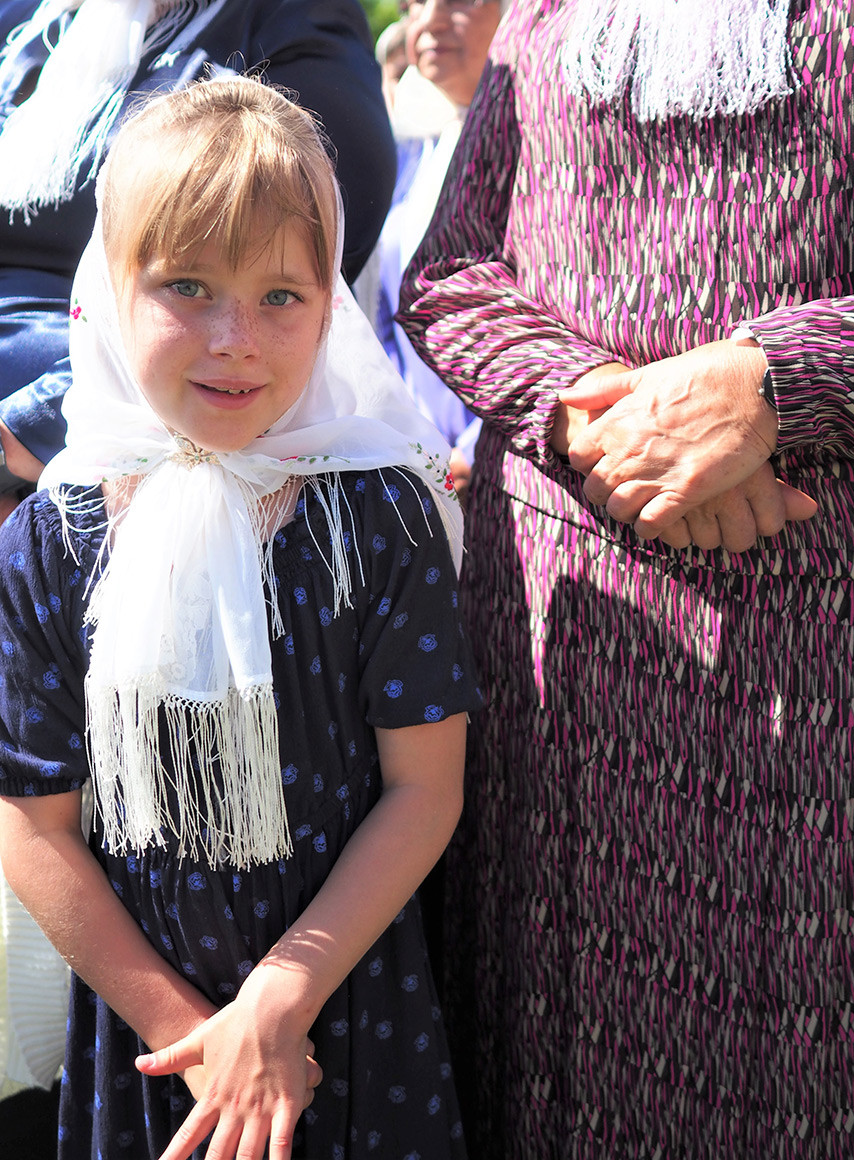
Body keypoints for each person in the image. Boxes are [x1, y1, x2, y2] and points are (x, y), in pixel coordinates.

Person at [398, 1, 854, 1157]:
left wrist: (776, 385)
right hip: (565, 674)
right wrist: (599, 410)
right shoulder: (548, 10)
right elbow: (449, 276)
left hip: (839, 703)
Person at [0, 76, 482, 1160]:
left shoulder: (375, 511)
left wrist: (279, 998)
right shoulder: (51, 538)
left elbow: (424, 786)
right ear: (108, 293)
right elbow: (32, 825)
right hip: (153, 1040)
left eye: (281, 295)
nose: (235, 338)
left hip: (346, 1007)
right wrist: (198, 1038)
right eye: (187, 285)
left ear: (333, 302)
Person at [0, 0, 396, 514]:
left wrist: (29, 430)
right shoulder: (26, 20)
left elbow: (291, 280)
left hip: (109, 431)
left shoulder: (289, 20)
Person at [377, 0, 501, 501]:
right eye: (413, 5)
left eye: (457, 1)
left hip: (503, 467)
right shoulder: (417, 147)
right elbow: (385, 307)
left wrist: (472, 451)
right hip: (416, 461)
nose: (427, 21)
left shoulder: (541, 154)